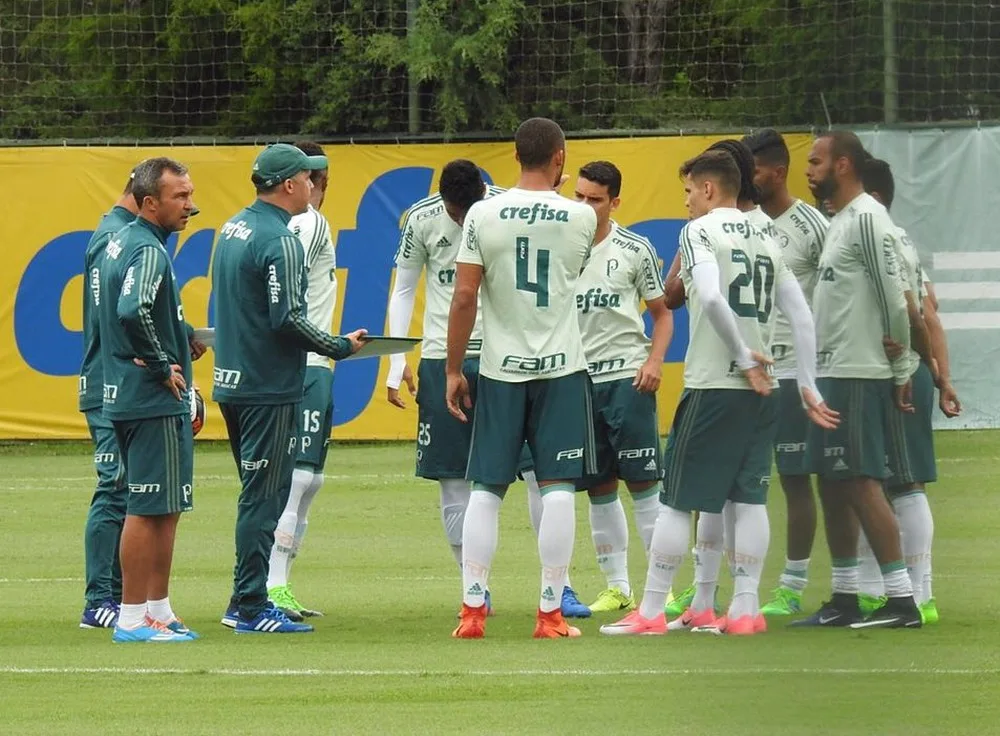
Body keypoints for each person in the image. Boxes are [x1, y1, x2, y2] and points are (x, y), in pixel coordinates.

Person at [601, 149, 836, 636]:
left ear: (708, 189)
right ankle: (745, 609)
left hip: (715, 383)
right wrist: (807, 382)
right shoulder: (768, 231)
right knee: (748, 498)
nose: (686, 202)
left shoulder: (700, 230)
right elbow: (801, 314)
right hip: (765, 387)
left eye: (688, 191)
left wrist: (743, 353)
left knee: (675, 501)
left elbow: (708, 295)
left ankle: (650, 611)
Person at [386, 160, 589, 618]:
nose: (462, 220)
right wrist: (397, 360)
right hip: (444, 356)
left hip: (504, 356)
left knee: (542, 473)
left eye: (467, 210)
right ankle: (474, 588)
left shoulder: (502, 210)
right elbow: (403, 287)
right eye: (455, 213)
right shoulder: (420, 219)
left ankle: (563, 586)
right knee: (456, 479)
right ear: (443, 202)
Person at [447, 117, 598, 639]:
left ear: (516, 156)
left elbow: (464, 296)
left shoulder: (483, 213)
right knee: (556, 489)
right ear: (559, 157)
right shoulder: (580, 216)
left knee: (486, 490)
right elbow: (571, 272)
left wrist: (451, 369)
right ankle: (550, 614)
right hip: (560, 367)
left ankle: (472, 612)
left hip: (500, 368)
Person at [213, 143, 367, 634]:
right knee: (266, 496)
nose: (313, 186)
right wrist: (338, 345)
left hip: (234, 378)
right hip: (268, 384)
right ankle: (249, 605)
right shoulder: (278, 238)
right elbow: (286, 319)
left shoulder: (233, 226)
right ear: (289, 185)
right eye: (306, 178)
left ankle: (251, 598)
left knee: (259, 492)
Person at [792, 131, 922, 629]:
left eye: (815, 161)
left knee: (864, 480)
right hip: (831, 369)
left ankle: (901, 599)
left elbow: (895, 297)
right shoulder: (839, 221)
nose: (809, 170)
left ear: (842, 165)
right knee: (833, 482)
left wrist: (902, 364)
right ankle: (845, 597)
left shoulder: (868, 218)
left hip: (858, 371)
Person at [97, 157, 200, 643]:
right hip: (149, 398)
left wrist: (177, 336)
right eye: (180, 197)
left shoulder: (118, 241)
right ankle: (133, 617)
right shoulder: (147, 249)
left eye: (189, 194)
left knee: (162, 506)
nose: (190, 206)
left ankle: (156, 608)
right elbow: (131, 309)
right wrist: (161, 364)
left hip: (126, 391)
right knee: (145, 506)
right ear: (148, 202)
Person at [570, 161, 673, 613]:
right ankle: (617, 586)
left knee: (645, 485)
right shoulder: (559, 247)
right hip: (577, 380)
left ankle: (661, 588)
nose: (586, 206)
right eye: (579, 196)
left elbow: (663, 313)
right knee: (598, 487)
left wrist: (655, 361)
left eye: (595, 199)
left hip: (628, 378)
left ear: (615, 201)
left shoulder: (635, 248)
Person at [860, 156, 958, 624]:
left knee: (902, 481)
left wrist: (935, 376)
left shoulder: (885, 241)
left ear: (872, 197)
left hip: (897, 371)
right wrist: (943, 378)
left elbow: (923, 315)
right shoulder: (894, 241)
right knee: (869, 480)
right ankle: (882, 589)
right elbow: (930, 311)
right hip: (880, 372)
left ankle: (919, 593)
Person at [742, 128, 830, 616]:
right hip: (747, 371)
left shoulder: (812, 226)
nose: (747, 179)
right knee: (733, 480)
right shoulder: (740, 224)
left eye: (753, 170)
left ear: (778, 172)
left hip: (794, 372)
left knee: (795, 478)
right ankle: (717, 581)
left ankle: (792, 585)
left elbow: (835, 292)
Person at [265, 141, 338, 621]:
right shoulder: (308, 222)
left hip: (316, 362)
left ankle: (281, 584)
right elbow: (284, 283)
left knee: (309, 479)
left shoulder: (300, 221)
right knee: (298, 477)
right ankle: (273, 587)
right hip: (305, 360)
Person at [77, 169, 140, 629]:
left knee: (128, 488)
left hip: (119, 382)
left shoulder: (117, 233)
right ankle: (99, 598)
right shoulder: (114, 238)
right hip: (107, 384)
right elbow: (114, 314)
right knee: (114, 487)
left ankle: (118, 594)